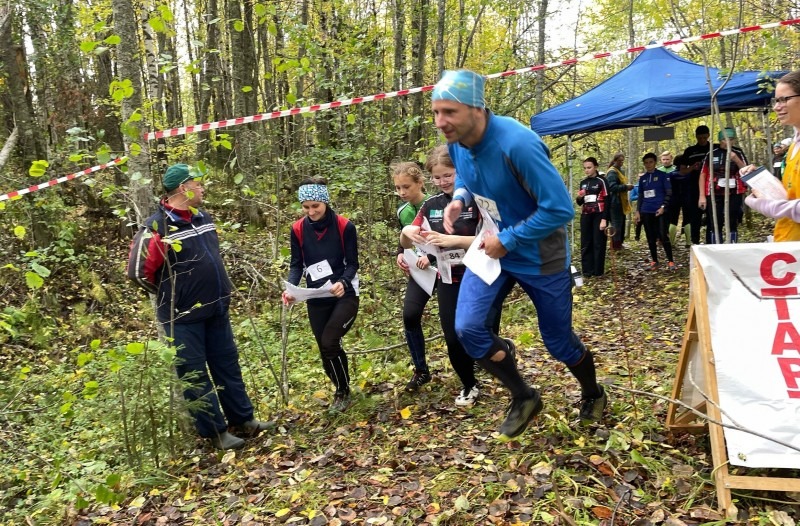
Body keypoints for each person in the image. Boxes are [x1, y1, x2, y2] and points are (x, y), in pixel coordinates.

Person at [432, 69, 607, 442]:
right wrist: (460, 198)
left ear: (477, 108)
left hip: (540, 255)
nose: (440, 122)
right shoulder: (457, 142)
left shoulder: (518, 144)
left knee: (558, 342)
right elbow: (465, 175)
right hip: (493, 248)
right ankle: (524, 396)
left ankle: (593, 393)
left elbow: (560, 208)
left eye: (449, 112)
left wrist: (510, 238)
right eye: (435, 112)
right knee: (468, 330)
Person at [127, 163, 272, 450]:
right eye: (198, 183)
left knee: (227, 366)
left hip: (217, 309)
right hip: (182, 319)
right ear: (183, 188)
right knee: (194, 375)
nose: (202, 188)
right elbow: (138, 273)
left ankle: (243, 419)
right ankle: (216, 433)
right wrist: (174, 296)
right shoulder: (156, 228)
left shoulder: (202, 216)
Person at [400, 146, 487, 406]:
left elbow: (492, 240)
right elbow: (406, 239)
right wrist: (407, 232)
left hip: (479, 275)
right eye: (437, 177)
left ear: (458, 172)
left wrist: (454, 240)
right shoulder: (430, 205)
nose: (443, 182)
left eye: (447, 175)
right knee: (452, 336)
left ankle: (501, 353)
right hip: (448, 277)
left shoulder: (478, 200)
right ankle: (469, 385)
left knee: (479, 331)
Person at [282, 178, 360, 412]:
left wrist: (343, 282)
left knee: (330, 341)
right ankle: (341, 385)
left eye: (315, 205)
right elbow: (297, 264)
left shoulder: (345, 226)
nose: (311, 211)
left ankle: (343, 393)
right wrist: (290, 288)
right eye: (306, 207)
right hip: (315, 295)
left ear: (325, 202)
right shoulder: (297, 229)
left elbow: (353, 263)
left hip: (343, 294)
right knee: (325, 349)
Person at [744, 71, 800, 241]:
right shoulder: (792, 147)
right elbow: (790, 195)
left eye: (784, 99)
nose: (776, 107)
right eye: (776, 101)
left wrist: (772, 207)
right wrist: (766, 186)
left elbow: (783, 206)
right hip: (788, 249)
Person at [392, 162, 433, 392]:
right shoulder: (403, 211)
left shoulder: (436, 205)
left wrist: (432, 258)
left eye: (406, 187)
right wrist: (400, 254)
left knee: (458, 321)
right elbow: (404, 241)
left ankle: (477, 358)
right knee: (410, 315)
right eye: (398, 188)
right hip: (420, 271)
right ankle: (421, 370)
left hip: (446, 269)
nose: (402, 193)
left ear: (420, 183)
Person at [698, 128, 748, 244]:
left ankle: (732, 246)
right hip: (714, 191)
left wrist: (735, 159)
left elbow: (746, 170)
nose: (728, 142)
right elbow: (703, 175)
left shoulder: (738, 152)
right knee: (715, 220)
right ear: (720, 140)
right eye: (725, 140)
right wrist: (702, 196)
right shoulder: (711, 153)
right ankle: (716, 247)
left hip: (734, 191)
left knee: (732, 219)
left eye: (731, 140)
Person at [635, 153, 676, 271]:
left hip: (660, 210)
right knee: (650, 236)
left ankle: (671, 261)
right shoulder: (642, 178)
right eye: (646, 163)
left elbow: (669, 193)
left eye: (650, 162)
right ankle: (654, 260)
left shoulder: (663, 176)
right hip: (646, 210)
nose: (648, 165)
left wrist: (663, 207)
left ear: (655, 162)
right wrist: (638, 211)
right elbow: (640, 195)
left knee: (663, 235)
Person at [575, 157, 609, 277]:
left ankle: (598, 271)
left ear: (595, 167)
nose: (587, 170)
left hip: (599, 214)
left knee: (598, 243)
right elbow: (580, 202)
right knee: (586, 242)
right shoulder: (583, 183)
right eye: (585, 168)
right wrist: (579, 197)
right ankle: (587, 271)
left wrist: (604, 219)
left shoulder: (602, 181)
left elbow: (607, 200)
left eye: (589, 168)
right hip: (586, 214)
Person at [682, 125, 714, 244]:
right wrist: (692, 168)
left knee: (711, 215)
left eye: (704, 138)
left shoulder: (713, 149)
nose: (702, 140)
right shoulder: (689, 151)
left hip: (711, 187)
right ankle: (695, 242)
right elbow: (682, 170)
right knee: (695, 217)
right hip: (694, 188)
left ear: (708, 136)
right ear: (696, 137)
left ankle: (710, 241)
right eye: (700, 138)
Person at [605, 153, 635, 251]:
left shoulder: (620, 171)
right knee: (616, 224)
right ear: (614, 160)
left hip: (621, 201)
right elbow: (611, 187)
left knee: (621, 223)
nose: (621, 163)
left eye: (622, 161)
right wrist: (626, 187)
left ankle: (620, 243)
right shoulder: (612, 172)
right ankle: (615, 245)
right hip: (614, 202)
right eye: (619, 161)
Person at [666, 155, 694, 247]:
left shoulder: (671, 174)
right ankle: (688, 242)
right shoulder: (690, 174)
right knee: (688, 219)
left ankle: (671, 242)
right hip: (688, 198)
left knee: (673, 220)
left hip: (673, 199)